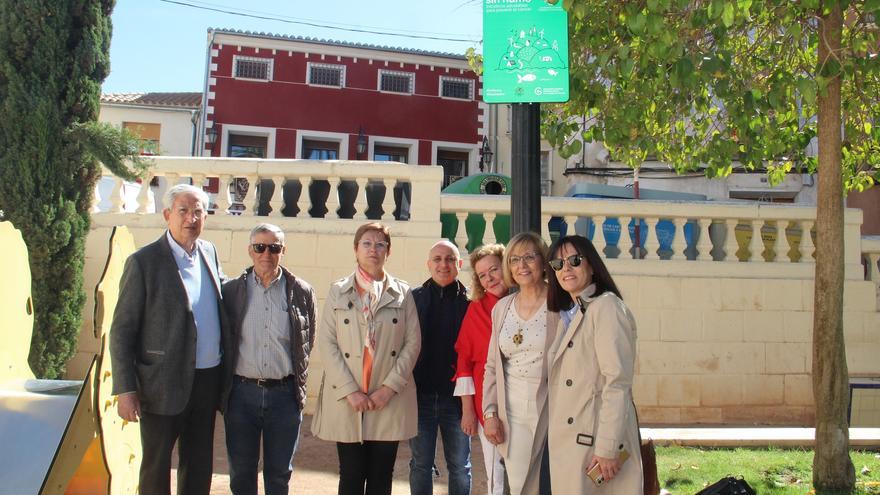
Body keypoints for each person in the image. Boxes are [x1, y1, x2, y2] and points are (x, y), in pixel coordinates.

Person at [109, 183, 231, 495]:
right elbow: (122, 331)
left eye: (198, 212)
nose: (191, 218)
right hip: (160, 383)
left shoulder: (209, 252)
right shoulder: (143, 262)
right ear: (167, 215)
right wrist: (125, 389)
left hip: (207, 379)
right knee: (156, 465)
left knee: (199, 462)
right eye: (183, 211)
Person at [311, 222, 421, 495]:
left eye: (380, 244)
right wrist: (350, 391)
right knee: (350, 474)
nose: (373, 249)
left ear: (388, 251)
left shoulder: (402, 292)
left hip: (389, 399)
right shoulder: (338, 290)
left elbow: (413, 342)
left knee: (382, 476)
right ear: (356, 250)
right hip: (349, 399)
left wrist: (389, 388)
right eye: (367, 243)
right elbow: (327, 343)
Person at [221, 223, 317, 495]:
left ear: (283, 250)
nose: (267, 253)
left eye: (274, 247)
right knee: (241, 472)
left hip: (284, 396)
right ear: (250, 251)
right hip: (241, 395)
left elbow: (307, 341)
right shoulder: (231, 291)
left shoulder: (301, 291)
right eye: (260, 247)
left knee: (278, 475)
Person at [546, 235, 643, 493]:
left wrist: (607, 448)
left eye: (574, 260)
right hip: (575, 442)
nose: (566, 268)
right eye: (558, 263)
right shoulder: (577, 310)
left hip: (595, 446)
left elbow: (617, 382)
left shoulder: (606, 307)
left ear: (592, 265)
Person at [483, 232, 558, 495]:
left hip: (552, 410)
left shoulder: (560, 304)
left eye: (529, 257)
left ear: (544, 260)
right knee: (519, 486)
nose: (521, 265)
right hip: (511, 413)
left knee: (551, 485)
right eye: (514, 259)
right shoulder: (502, 308)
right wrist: (490, 413)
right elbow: (492, 366)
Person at [409, 240, 472, 495]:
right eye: (437, 259)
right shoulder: (413, 299)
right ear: (428, 264)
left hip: (457, 401)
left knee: (459, 466)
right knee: (420, 465)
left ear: (459, 264)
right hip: (420, 397)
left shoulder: (471, 303)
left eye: (449, 259)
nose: (443, 264)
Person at [453, 243, 508, 495]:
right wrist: (467, 410)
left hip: (528, 398)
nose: (489, 278)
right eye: (482, 275)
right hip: (488, 403)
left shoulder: (532, 299)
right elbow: (464, 361)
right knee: (496, 472)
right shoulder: (476, 308)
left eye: (494, 270)